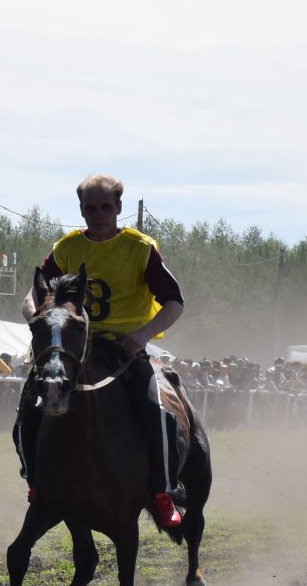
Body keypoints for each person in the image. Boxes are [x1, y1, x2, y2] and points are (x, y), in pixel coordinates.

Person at [20, 172, 188, 530]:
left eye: (105, 207)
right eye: (89, 208)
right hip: (75, 349)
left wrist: (143, 335)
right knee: (30, 406)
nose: (97, 214)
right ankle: (37, 485)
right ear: (81, 210)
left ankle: (162, 494)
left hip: (124, 351)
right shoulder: (67, 248)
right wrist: (38, 317)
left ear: (118, 208)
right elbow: (35, 295)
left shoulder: (140, 249)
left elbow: (174, 302)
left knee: (158, 411)